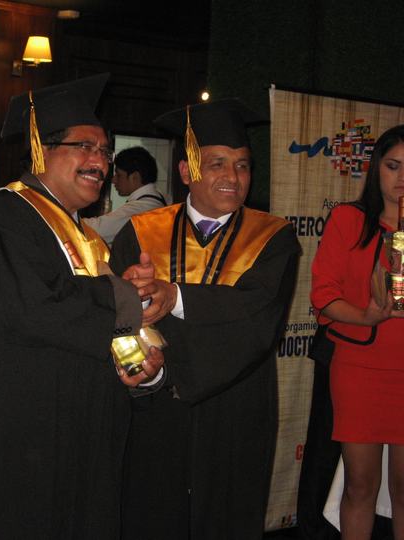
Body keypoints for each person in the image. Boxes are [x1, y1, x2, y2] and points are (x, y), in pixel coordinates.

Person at [0, 73, 166, 539]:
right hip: (18, 449)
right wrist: (127, 297)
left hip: (77, 445)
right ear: (42, 149)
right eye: (85, 147)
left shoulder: (88, 239)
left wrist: (144, 361)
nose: (99, 162)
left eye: (105, 152)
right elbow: (33, 309)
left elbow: (96, 328)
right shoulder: (1, 215)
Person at [110, 99, 300, 540]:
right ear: (185, 171)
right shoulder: (141, 232)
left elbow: (258, 317)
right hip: (156, 409)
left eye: (242, 165)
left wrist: (174, 296)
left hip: (236, 410)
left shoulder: (273, 238)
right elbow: (119, 320)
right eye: (217, 163)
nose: (233, 176)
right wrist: (148, 366)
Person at [310, 124, 404, 540]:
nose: (401, 178)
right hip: (359, 368)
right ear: (376, 168)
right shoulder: (349, 220)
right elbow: (322, 295)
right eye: (393, 166)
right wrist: (366, 316)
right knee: (360, 484)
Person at [84, 145, 167, 244]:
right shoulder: (154, 200)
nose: (113, 180)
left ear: (135, 177)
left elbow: (97, 230)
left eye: (119, 175)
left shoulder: (143, 208)